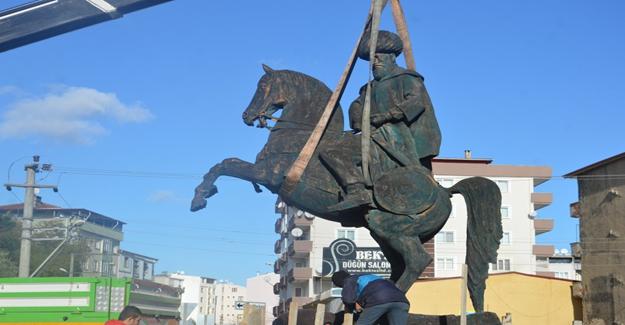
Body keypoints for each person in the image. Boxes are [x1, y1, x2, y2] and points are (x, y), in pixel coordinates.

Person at [322, 30, 441, 212]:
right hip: (373, 134)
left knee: (333, 152)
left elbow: (416, 102)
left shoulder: (407, 78)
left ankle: (356, 191)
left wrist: (387, 115)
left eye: (378, 58)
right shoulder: (369, 88)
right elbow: (357, 105)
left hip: (395, 136)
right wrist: (358, 120)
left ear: (392, 58)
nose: (374, 63)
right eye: (372, 60)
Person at [332, 270, 409, 325]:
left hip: (379, 300)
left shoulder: (349, 280)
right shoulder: (368, 276)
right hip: (402, 301)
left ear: (340, 283)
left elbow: (348, 299)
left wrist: (352, 307)